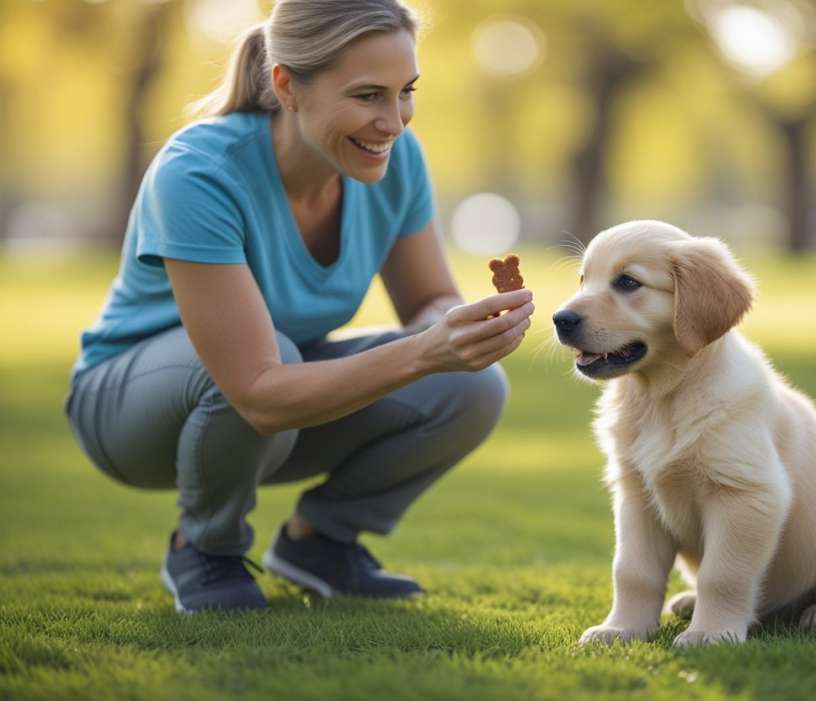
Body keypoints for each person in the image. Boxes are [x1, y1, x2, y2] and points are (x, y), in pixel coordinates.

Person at [63, 0, 534, 614]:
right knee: (275, 361)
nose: (393, 122)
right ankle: (205, 548)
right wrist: (422, 350)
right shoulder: (199, 172)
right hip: (132, 412)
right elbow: (257, 390)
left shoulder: (396, 161)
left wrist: (457, 330)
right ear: (287, 85)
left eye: (405, 92)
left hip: (269, 405)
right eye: (368, 95)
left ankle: (321, 543)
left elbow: (426, 301)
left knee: (473, 389)